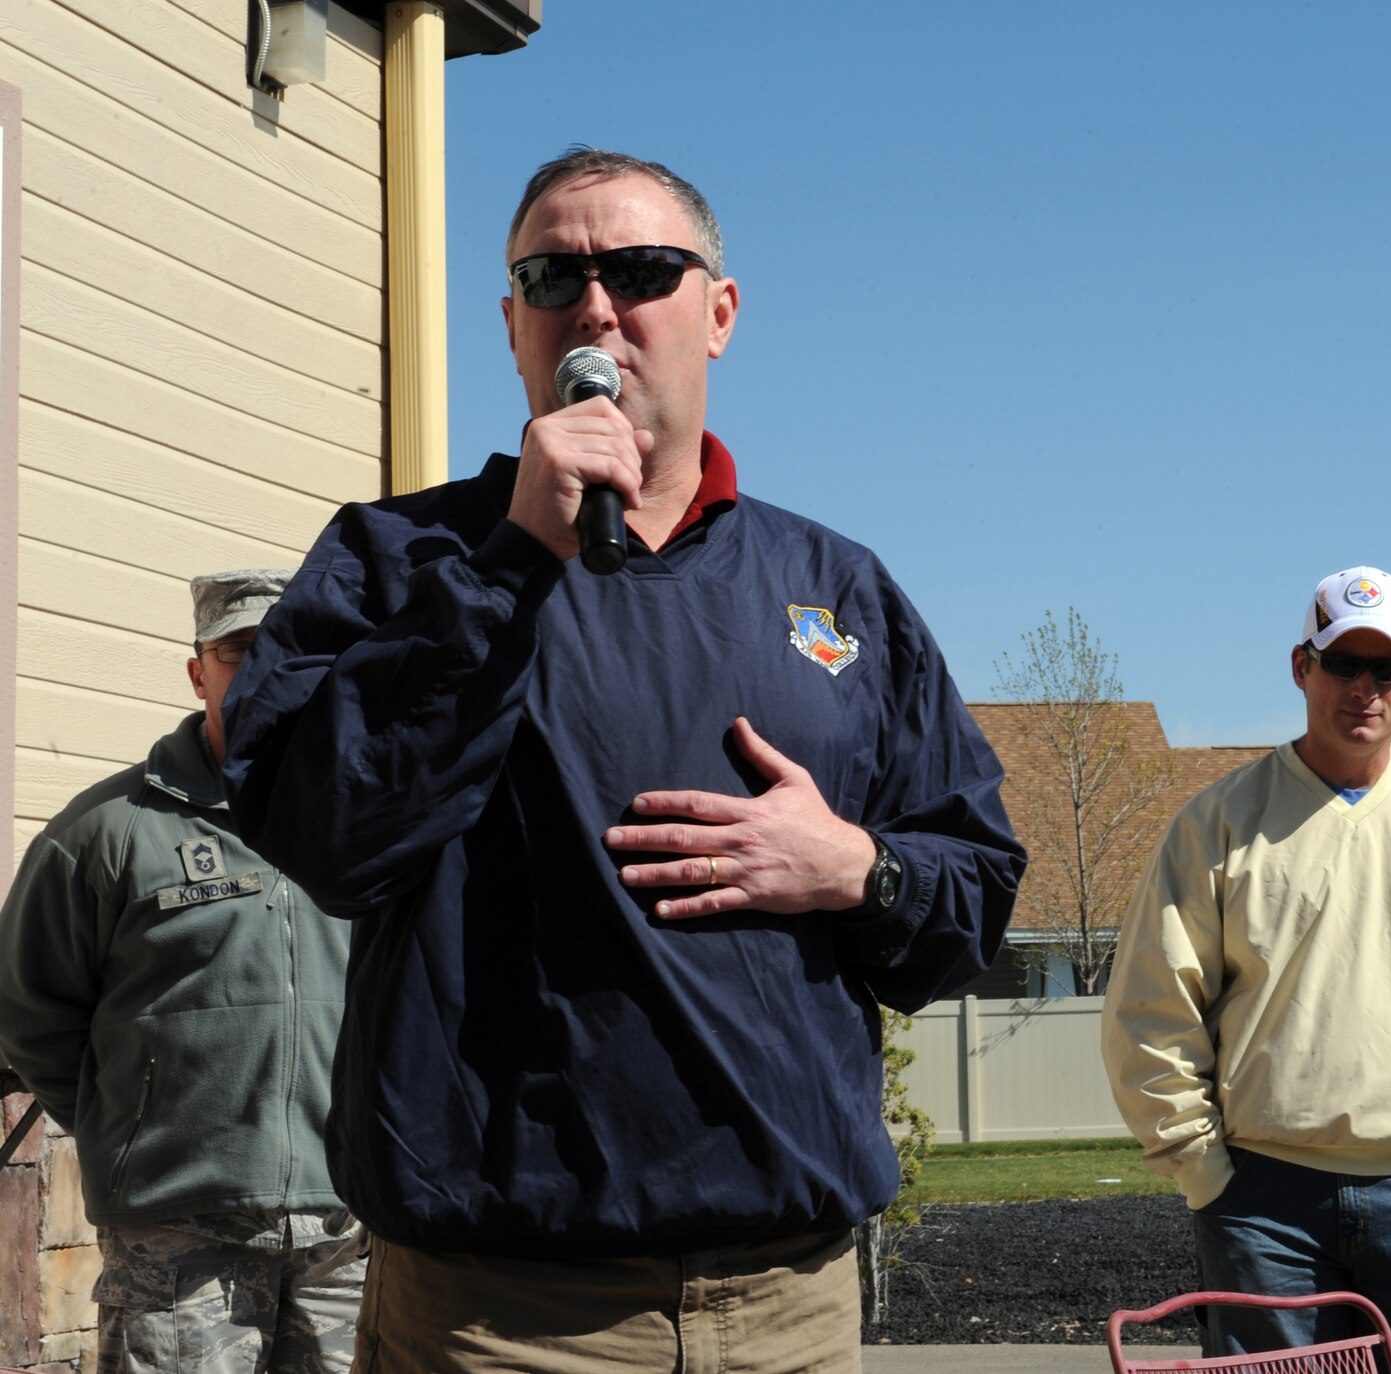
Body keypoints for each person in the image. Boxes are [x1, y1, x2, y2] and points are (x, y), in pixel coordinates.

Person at [221, 148, 1023, 1374]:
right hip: (502, 1320)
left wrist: (858, 869)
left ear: (718, 312)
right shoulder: (394, 562)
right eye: (553, 276)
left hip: (785, 1312)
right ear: (512, 327)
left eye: (640, 270)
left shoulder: (834, 590)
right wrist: (510, 561)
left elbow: (969, 901)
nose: (595, 306)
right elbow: (324, 834)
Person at [1100, 566, 1391, 1372]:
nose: (1365, 687)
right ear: (1300, 666)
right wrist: (1209, 1175)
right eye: (1343, 662)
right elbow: (1151, 1013)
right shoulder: (1219, 826)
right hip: (1261, 1205)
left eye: (1387, 668)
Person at [0, 569, 364, 1374]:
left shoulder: (368, 823)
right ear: (199, 672)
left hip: (351, 1234)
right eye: (239, 651)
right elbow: (30, 1011)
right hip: (178, 1245)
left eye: (290, 650)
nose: (266, 669)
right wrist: (129, 1122)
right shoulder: (106, 832)